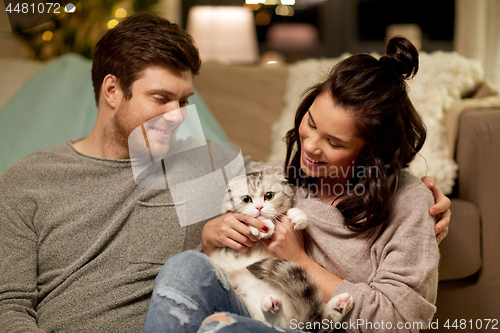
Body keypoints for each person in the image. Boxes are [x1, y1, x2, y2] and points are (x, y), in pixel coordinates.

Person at [0, 12, 449, 332]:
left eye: (185, 101)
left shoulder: (205, 164)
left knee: (188, 267)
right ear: (112, 90)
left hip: (201, 321)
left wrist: (427, 205)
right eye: (161, 99)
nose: (177, 117)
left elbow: (319, 192)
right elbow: (8, 306)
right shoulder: (29, 181)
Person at [142, 36, 447, 333]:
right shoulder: (276, 176)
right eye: (311, 123)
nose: (311, 147)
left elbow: (399, 320)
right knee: (185, 266)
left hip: (319, 326)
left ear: (371, 154)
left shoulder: (408, 203)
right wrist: (211, 238)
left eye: (334, 142)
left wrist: (299, 261)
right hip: (256, 311)